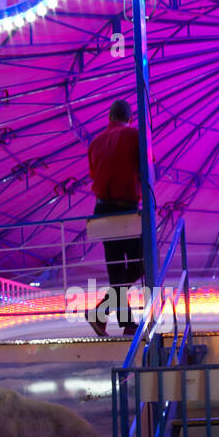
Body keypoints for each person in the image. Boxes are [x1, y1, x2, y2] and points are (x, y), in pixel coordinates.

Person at [87, 98, 146, 337]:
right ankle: (103, 313)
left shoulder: (95, 141)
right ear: (130, 118)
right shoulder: (134, 136)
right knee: (140, 264)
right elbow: (148, 165)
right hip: (126, 209)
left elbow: (93, 172)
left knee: (116, 270)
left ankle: (123, 323)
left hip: (101, 210)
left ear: (109, 117)